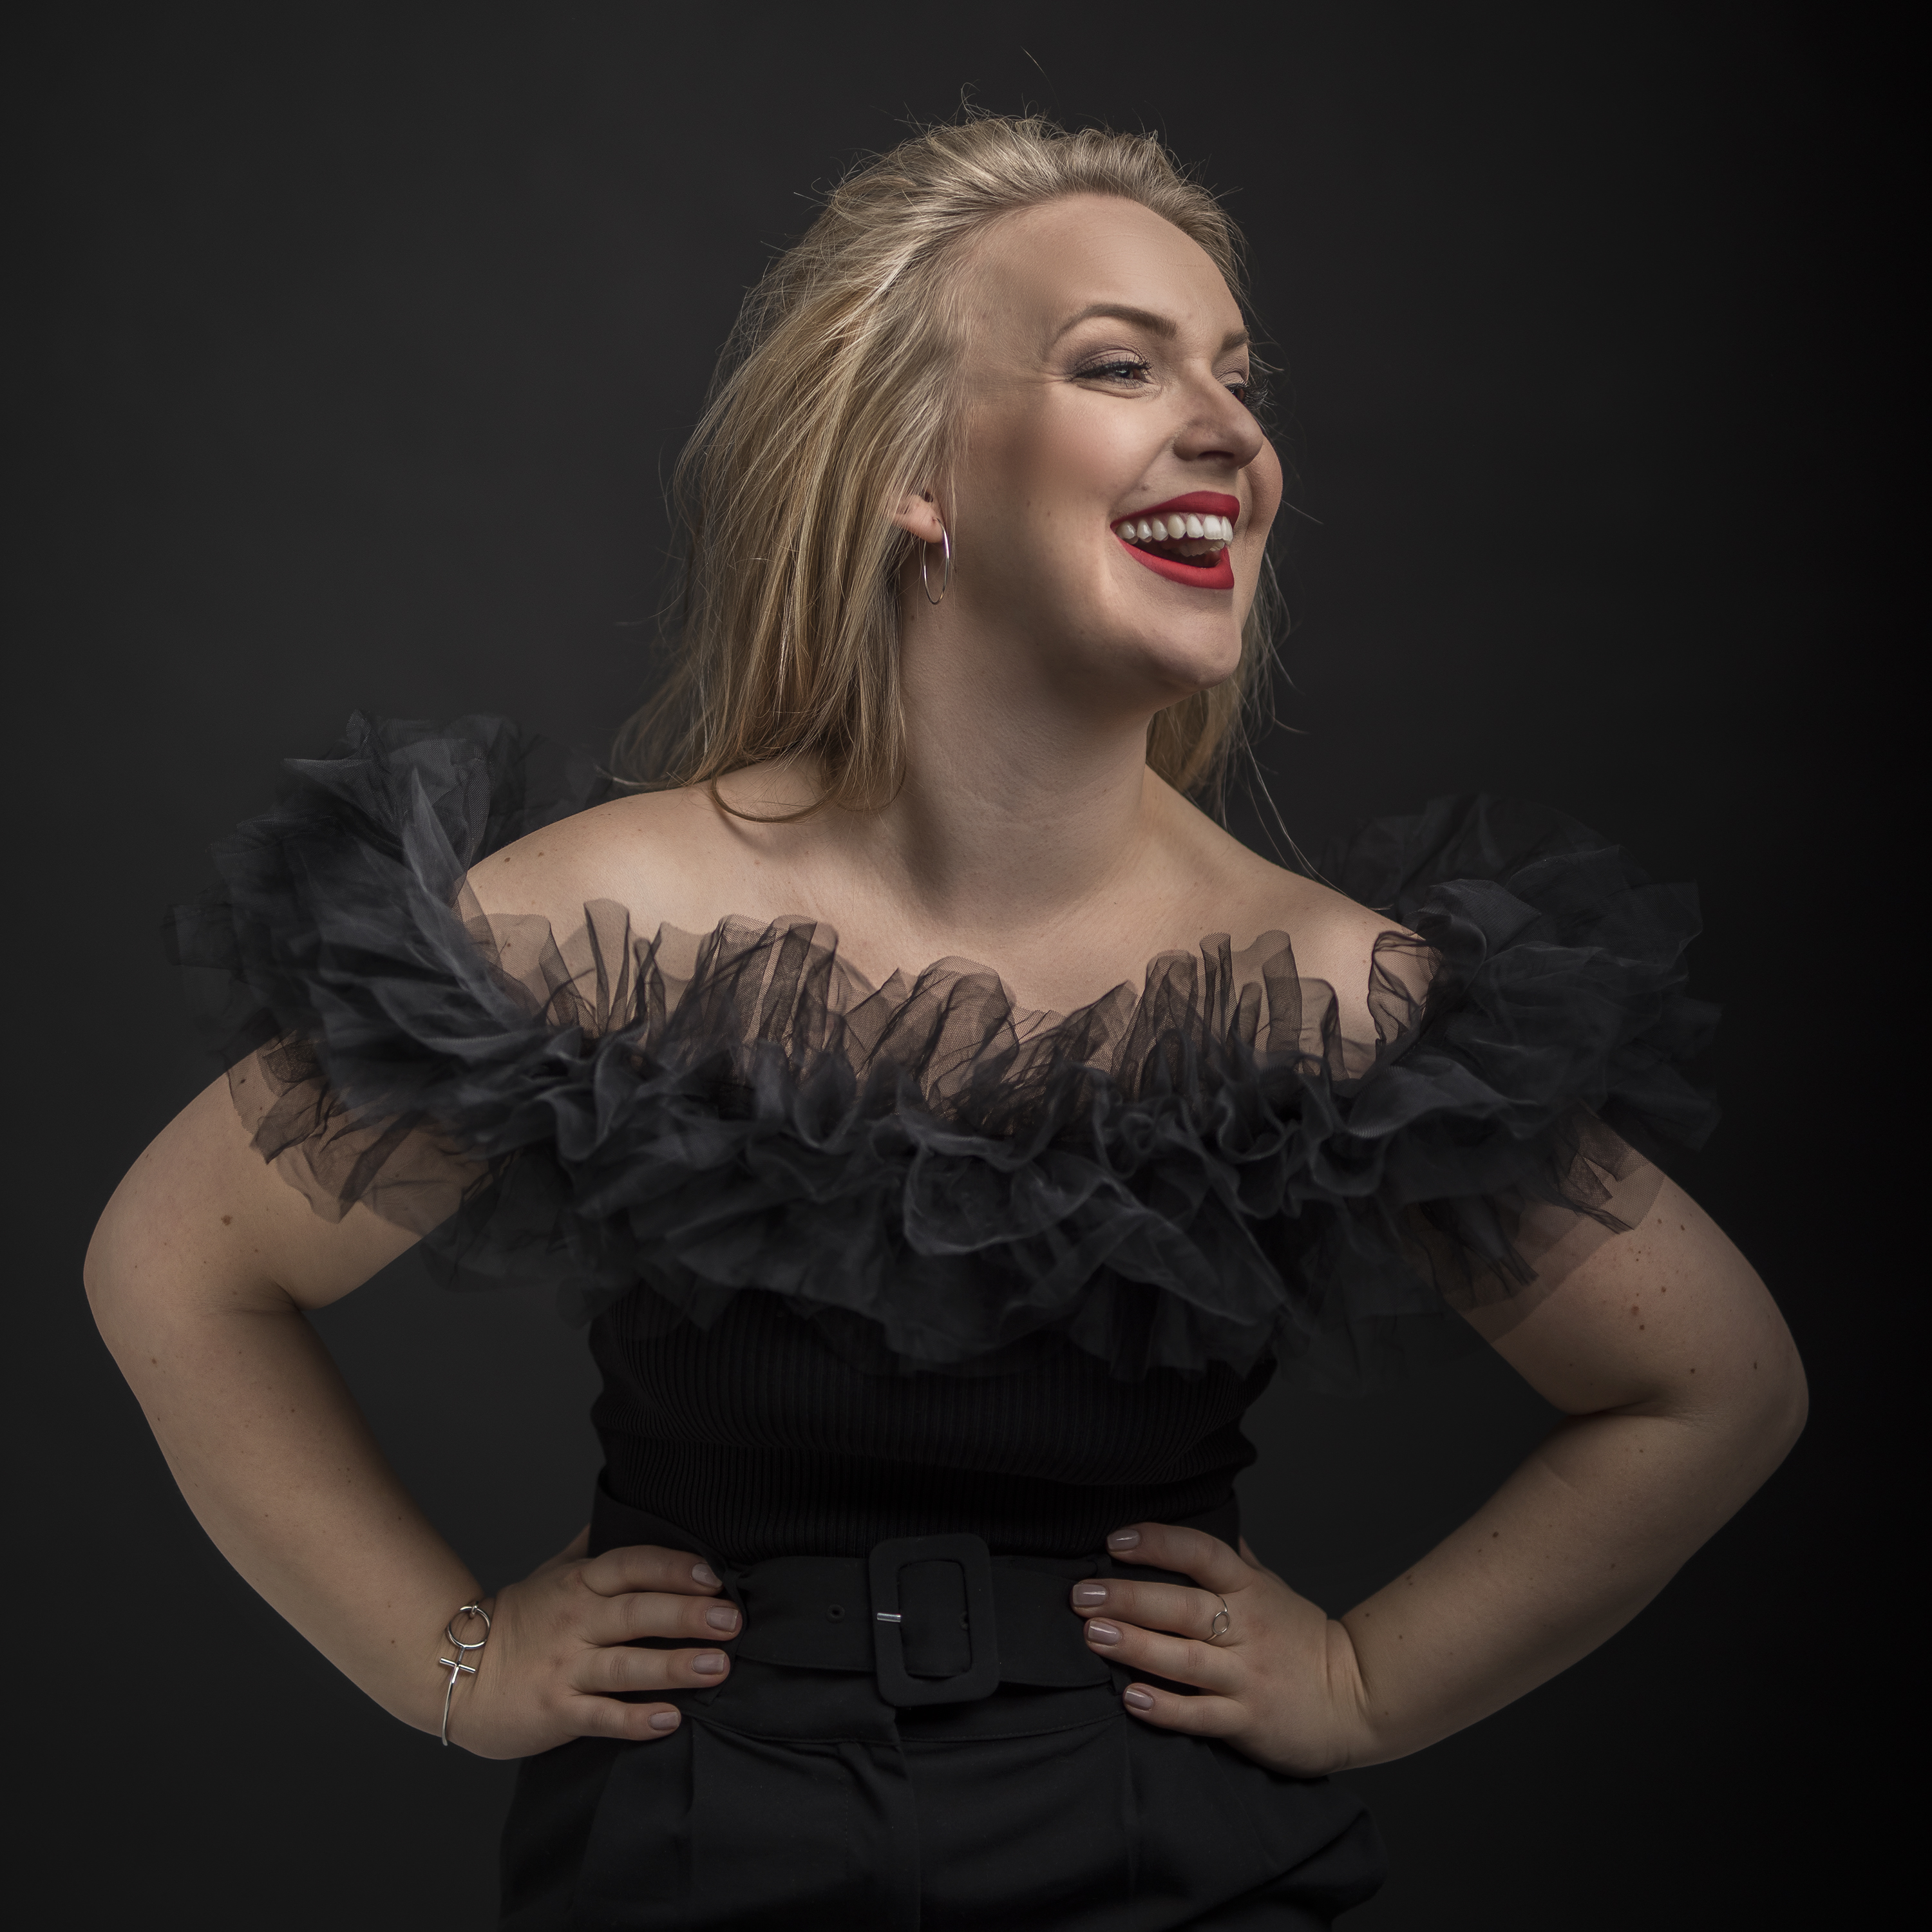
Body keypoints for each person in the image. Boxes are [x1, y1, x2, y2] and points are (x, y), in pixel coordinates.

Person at [86, 116, 1805, 1929]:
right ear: (917, 472)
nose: (1231, 431)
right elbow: (177, 1268)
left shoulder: (1326, 990)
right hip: (692, 1847)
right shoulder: (604, 922)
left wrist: (1367, 1684)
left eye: (1238, 378)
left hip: (1177, 1861)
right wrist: (451, 1658)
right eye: (1122, 365)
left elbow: (1714, 1384)